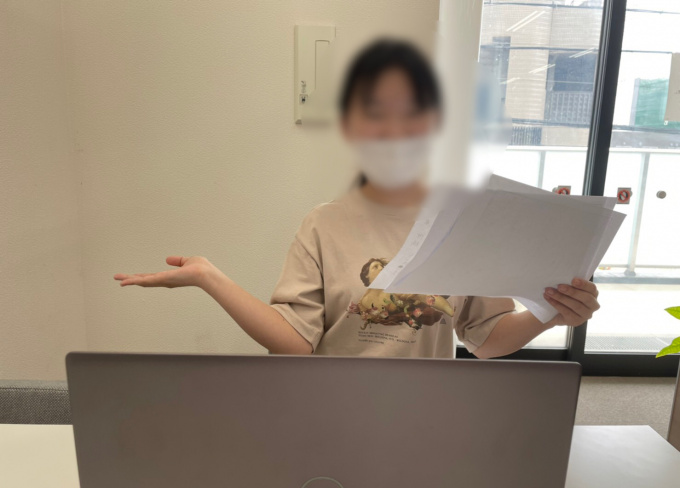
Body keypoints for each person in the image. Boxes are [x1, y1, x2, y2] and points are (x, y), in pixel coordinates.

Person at [114, 39, 601, 358]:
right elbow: (296, 342)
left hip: (428, 416)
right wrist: (210, 277)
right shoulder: (323, 225)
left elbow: (486, 339)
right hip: (333, 414)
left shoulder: (466, 220)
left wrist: (553, 313)